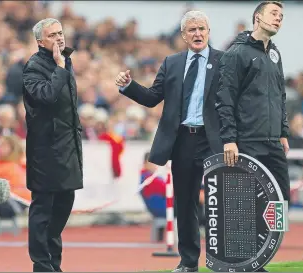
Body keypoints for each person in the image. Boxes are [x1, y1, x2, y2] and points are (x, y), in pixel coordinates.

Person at [115, 10, 223, 272]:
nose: (197, 34)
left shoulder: (225, 61)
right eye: (192, 30)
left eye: (202, 29)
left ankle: (224, 260)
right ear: (184, 36)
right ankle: (188, 263)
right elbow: (153, 97)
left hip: (214, 141)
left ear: (209, 32)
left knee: (220, 200)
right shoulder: (172, 63)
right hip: (183, 141)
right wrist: (128, 86)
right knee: (185, 204)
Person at [216, 2, 289, 271]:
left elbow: (280, 94)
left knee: (280, 203)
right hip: (247, 141)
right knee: (245, 205)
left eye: (281, 16)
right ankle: (246, 262)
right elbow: (224, 98)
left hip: (272, 142)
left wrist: (283, 132)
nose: (279, 19)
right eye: (274, 14)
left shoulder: (275, 54)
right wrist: (229, 139)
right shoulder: (237, 53)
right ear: (257, 18)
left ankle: (259, 258)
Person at [22, 18, 83, 272]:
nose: (59, 38)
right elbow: (45, 96)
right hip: (45, 151)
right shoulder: (33, 67)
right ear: (40, 41)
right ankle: (41, 264)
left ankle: (53, 263)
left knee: (62, 207)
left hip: (68, 146)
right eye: (52, 35)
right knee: (43, 209)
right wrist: (59, 68)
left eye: (60, 33)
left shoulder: (65, 61)